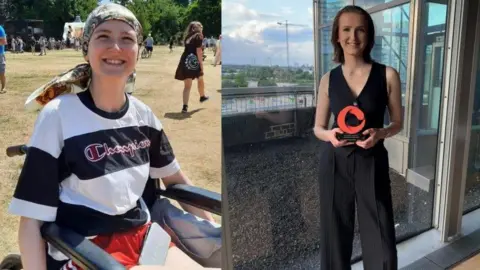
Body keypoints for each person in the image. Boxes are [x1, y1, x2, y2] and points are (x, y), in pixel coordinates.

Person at [8, 3, 218, 270]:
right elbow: (31, 221)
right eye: (104, 36)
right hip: (85, 249)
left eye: (127, 39)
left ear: (138, 52)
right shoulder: (59, 116)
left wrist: (213, 235)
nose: (116, 48)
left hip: (143, 238)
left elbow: (175, 180)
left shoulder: (144, 116)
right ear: (87, 48)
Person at [313, 5, 403, 270]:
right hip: (334, 162)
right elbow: (317, 128)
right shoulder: (328, 79)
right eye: (347, 30)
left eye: (360, 29)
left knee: (381, 239)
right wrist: (329, 134)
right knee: (334, 237)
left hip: (372, 161)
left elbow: (398, 123)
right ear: (337, 36)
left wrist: (381, 132)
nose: (354, 36)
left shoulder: (388, 75)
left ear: (369, 35)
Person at [174, 21, 209, 113]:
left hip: (185, 60)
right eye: (200, 26)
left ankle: (185, 107)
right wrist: (201, 63)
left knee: (187, 86)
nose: (202, 27)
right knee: (200, 78)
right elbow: (199, 51)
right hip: (193, 60)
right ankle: (202, 96)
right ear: (196, 28)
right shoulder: (199, 36)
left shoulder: (188, 37)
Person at [0, 24, 6, 94]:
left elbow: (4, 42)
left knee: (1, 72)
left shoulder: (0, 29)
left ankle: (3, 87)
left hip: (0, 54)